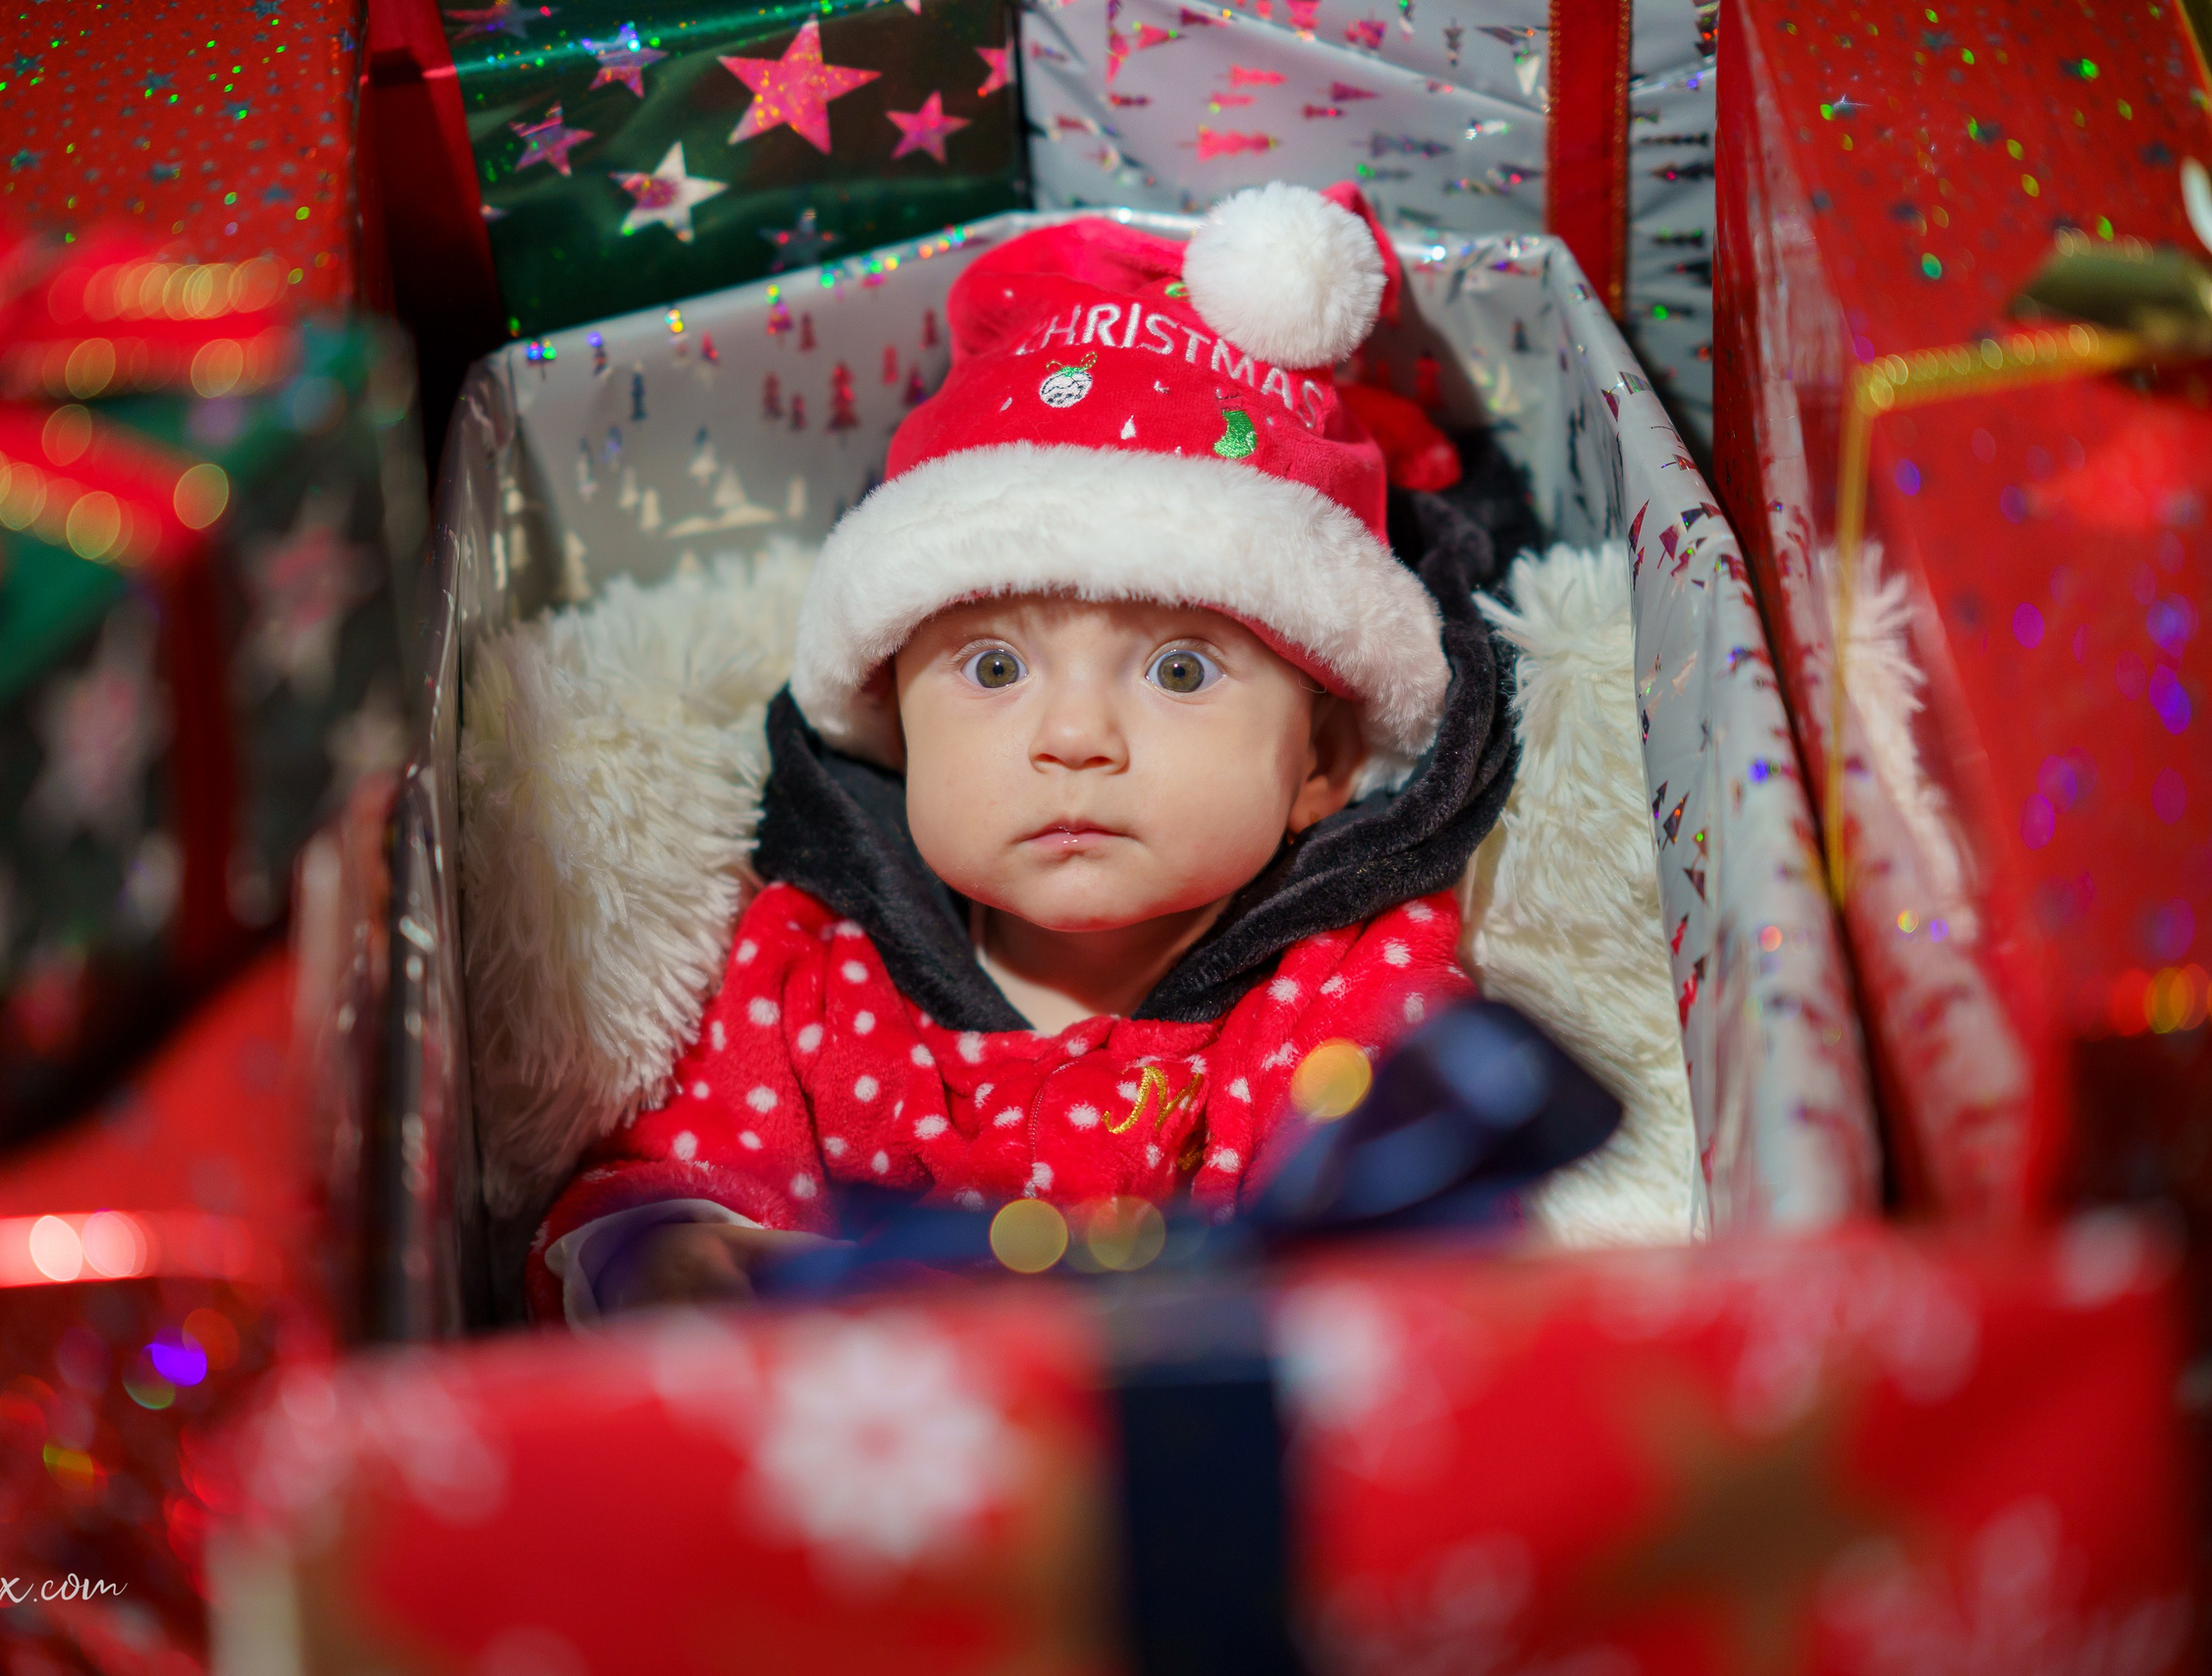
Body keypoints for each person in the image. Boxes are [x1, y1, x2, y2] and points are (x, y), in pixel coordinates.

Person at [530, 182, 1516, 1324]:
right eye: (994, 669)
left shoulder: (1339, 979)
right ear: (892, 723)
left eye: (1180, 670)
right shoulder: (811, 971)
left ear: (1320, 766)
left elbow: (1405, 1247)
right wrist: (668, 1259)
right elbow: (668, 1178)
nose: (1074, 739)